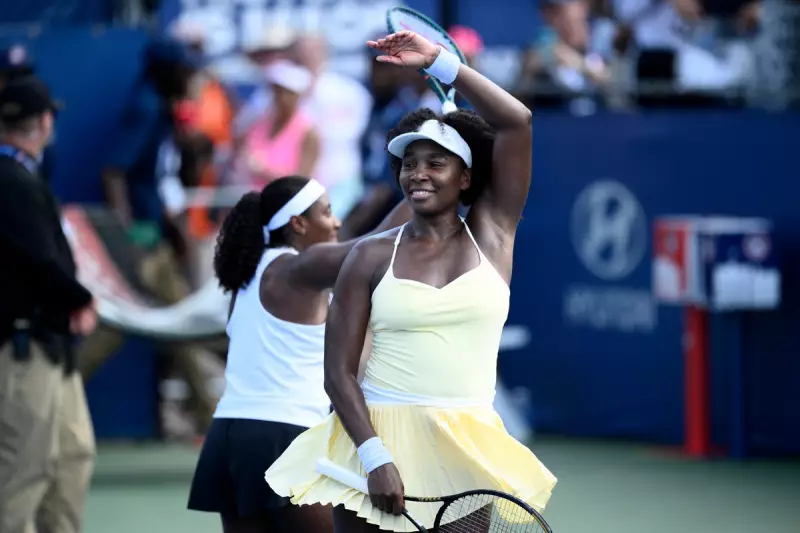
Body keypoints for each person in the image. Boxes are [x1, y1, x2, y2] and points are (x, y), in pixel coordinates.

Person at [265, 30, 557, 532]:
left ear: (465, 177)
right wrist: (376, 457)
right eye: (409, 164)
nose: (418, 174)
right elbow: (337, 373)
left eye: (436, 163)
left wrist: (442, 65)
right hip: (372, 448)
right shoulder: (369, 255)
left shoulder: (493, 236)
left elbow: (518, 122)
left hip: (465, 449)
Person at [187, 176, 411, 533]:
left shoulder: (248, 276)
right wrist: (423, 191)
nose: (336, 222)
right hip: (284, 437)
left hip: (228, 437)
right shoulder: (297, 267)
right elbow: (372, 247)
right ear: (298, 223)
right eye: (327, 212)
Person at [76, 37, 221, 433]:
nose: (189, 76)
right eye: (183, 68)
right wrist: (129, 234)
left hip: (154, 234)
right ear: (167, 70)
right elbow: (114, 170)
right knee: (142, 324)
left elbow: (158, 174)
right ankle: (61, 389)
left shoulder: (160, 105)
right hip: (143, 242)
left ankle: (209, 415)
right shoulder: (146, 106)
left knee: (175, 325)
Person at [0, 77, 97, 533]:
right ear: (43, 122)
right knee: (23, 472)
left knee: (71, 456)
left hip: (51, 344)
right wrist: (80, 299)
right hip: (24, 347)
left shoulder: (20, 175)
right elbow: (38, 258)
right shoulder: (9, 179)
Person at [234, 60, 319, 189]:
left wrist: (264, 171)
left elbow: (302, 180)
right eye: (277, 91)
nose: (281, 98)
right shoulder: (258, 126)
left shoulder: (308, 132)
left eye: (287, 92)